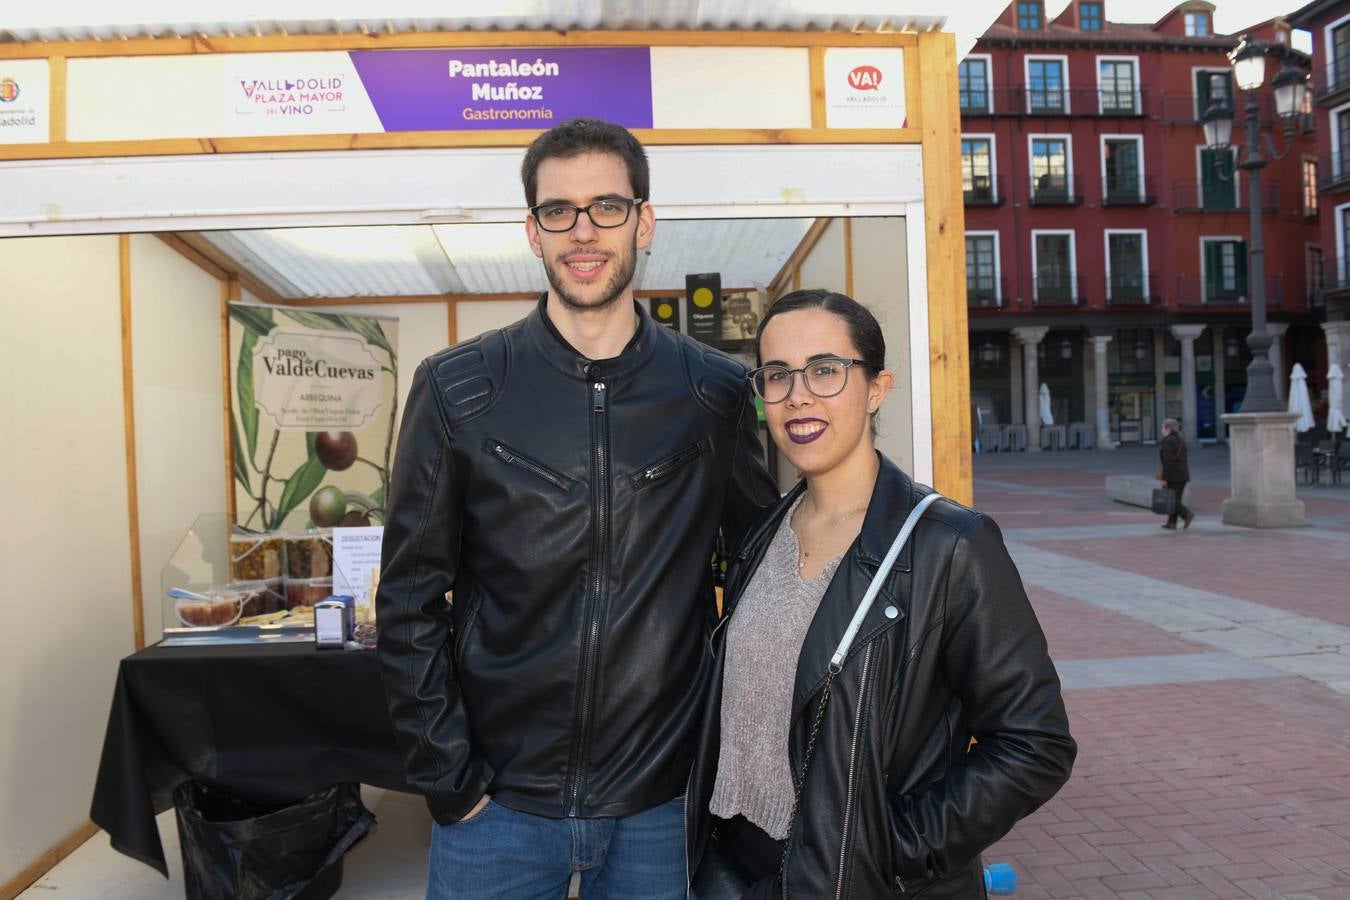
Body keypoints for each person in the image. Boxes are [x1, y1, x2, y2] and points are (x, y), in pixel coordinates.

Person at [376, 118, 778, 899]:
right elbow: (408, 598)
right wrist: (450, 777)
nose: (584, 231)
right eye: (559, 211)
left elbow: (764, 579)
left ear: (645, 220)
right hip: (496, 807)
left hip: (657, 803)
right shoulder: (457, 389)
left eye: (607, 207)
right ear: (532, 231)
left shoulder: (714, 394)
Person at [686, 290, 1076, 898]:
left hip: (864, 878)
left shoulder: (948, 545)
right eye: (777, 375)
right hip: (735, 870)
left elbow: (1035, 744)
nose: (799, 394)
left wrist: (889, 851)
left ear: (876, 388)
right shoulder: (761, 536)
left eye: (825, 370)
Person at [1157, 417, 1194, 529]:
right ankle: (1172, 522)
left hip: (1173, 476)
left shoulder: (1168, 441)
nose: (1161, 430)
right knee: (1175, 499)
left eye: (1162, 427)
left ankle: (1186, 514)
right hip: (1182, 475)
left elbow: (1168, 462)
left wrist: (1164, 478)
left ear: (1168, 428)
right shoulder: (1180, 440)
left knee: (1170, 499)